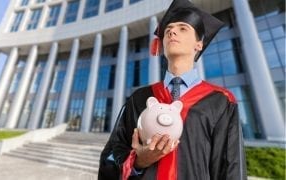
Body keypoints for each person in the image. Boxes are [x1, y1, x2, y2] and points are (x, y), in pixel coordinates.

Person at [98, 0, 247, 179]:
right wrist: (138, 161)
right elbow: (112, 153)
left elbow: (231, 166)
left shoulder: (221, 101)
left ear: (199, 44)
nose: (172, 32)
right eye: (168, 30)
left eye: (183, 28)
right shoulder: (139, 98)